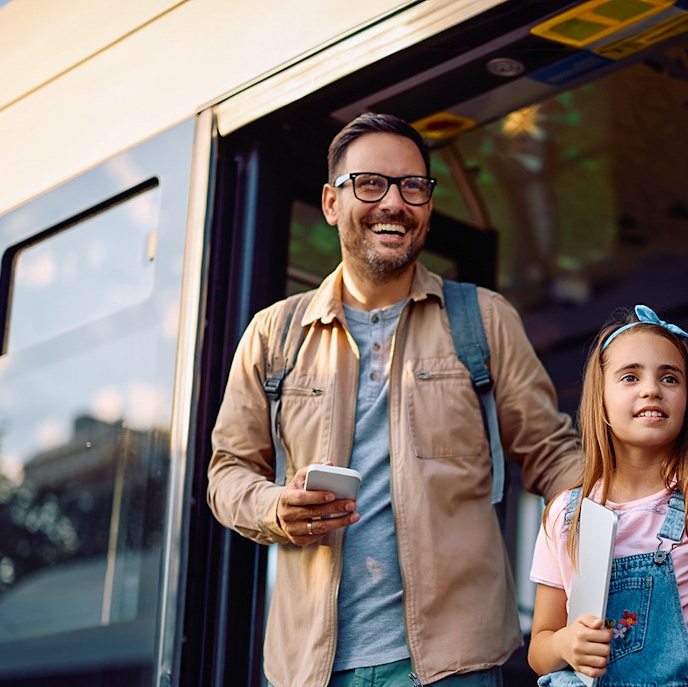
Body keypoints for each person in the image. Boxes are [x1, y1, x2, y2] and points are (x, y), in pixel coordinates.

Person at [206, 112, 582, 687]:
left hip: (458, 666)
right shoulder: (273, 334)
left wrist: (639, 503)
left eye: (413, 186)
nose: (394, 203)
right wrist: (274, 507)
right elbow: (228, 473)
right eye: (370, 184)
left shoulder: (483, 319)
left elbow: (554, 454)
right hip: (313, 670)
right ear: (333, 203)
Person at [527, 305, 688, 686]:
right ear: (599, 399)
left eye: (670, 378)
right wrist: (566, 645)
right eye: (630, 377)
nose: (651, 388)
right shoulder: (565, 515)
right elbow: (540, 647)